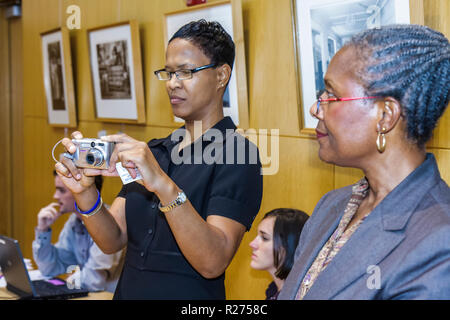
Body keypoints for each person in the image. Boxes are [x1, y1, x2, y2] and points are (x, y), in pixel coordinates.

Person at [55, 20, 263, 299]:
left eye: (186, 72)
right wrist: (85, 192)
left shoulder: (239, 155)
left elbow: (213, 261)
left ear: (221, 75)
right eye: (169, 73)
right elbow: (112, 239)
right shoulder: (154, 151)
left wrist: (164, 185)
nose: (173, 84)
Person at [279, 24, 450, 300]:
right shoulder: (331, 206)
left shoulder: (439, 243)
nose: (315, 108)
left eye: (331, 95)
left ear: (385, 116)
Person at [32, 171, 124, 292]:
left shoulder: (109, 225)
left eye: (61, 190)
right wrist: (43, 230)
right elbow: (50, 268)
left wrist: (73, 278)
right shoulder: (74, 222)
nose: (55, 196)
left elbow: (94, 281)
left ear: (84, 192)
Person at [249, 208, 308, 300]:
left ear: (289, 245)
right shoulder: (274, 291)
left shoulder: (300, 295)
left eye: (264, 238)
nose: (252, 244)